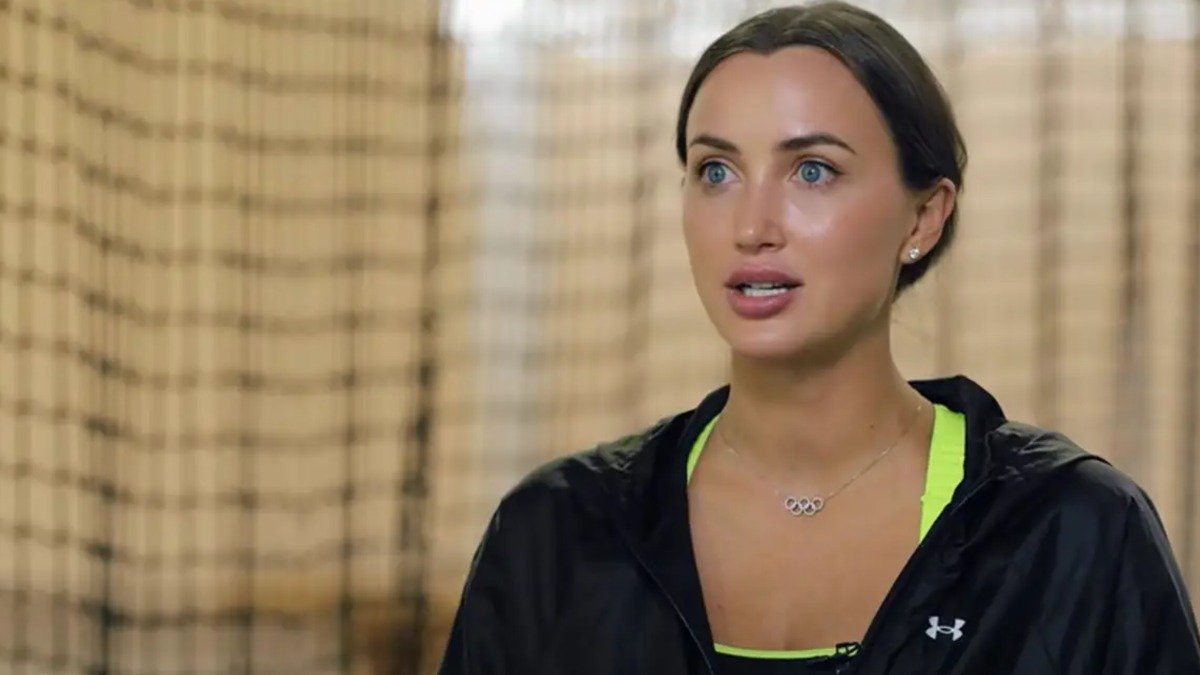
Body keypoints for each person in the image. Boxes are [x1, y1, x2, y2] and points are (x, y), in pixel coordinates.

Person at [437, 3, 1200, 673]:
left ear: (924, 216)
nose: (752, 227)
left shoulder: (1072, 532)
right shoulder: (555, 534)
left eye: (811, 170)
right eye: (716, 171)